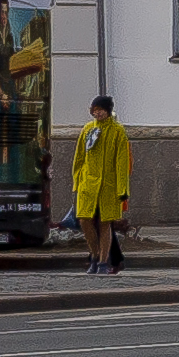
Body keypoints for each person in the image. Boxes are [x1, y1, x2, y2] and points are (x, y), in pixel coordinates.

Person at [71, 93, 128, 278]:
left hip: (108, 186)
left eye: (101, 110)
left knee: (105, 224)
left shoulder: (117, 131)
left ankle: (103, 261)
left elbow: (122, 162)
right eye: (94, 111)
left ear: (108, 111)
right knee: (84, 220)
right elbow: (79, 158)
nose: (97, 114)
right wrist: (77, 181)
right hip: (88, 185)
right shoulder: (87, 129)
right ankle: (94, 255)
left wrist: (122, 189)